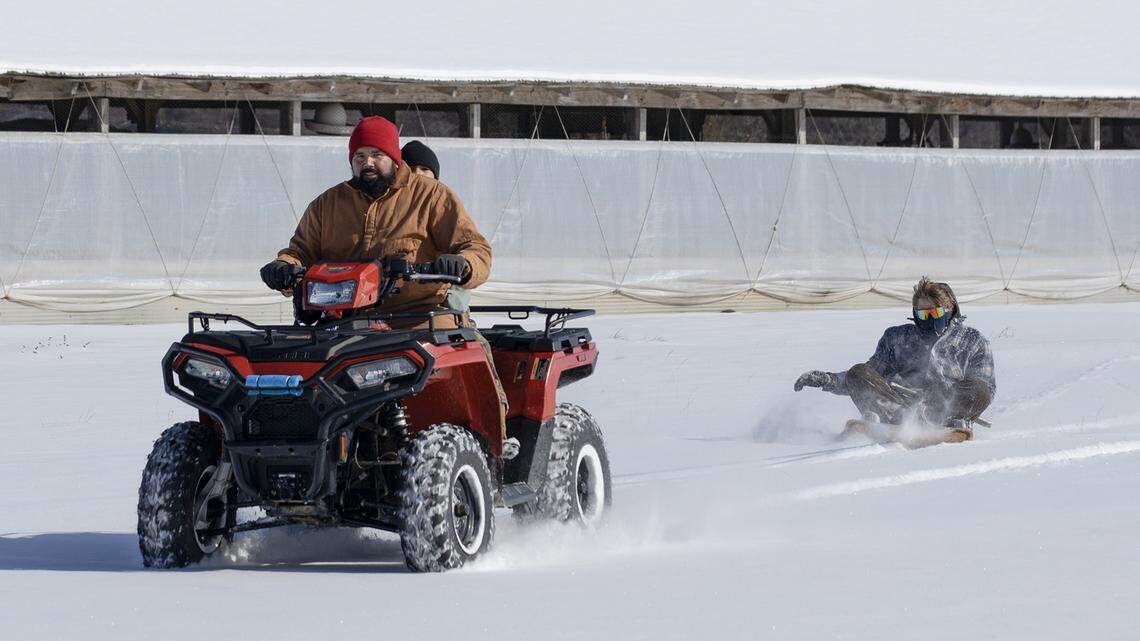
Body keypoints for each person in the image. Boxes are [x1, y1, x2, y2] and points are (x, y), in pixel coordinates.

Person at [258, 116, 509, 440]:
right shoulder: (327, 205)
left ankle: (493, 440)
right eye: (359, 157)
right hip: (342, 324)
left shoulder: (431, 197)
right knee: (292, 379)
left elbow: (477, 248)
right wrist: (284, 267)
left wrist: (462, 264)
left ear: (394, 156)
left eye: (376, 155)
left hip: (419, 319)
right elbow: (300, 252)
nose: (368, 164)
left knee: (465, 360)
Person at [793, 278, 995, 444]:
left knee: (980, 389)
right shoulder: (897, 337)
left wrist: (943, 396)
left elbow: (985, 387)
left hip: (945, 409)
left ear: (949, 309)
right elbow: (872, 373)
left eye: (934, 313)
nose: (927, 319)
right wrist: (829, 380)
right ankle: (893, 422)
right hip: (899, 405)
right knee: (858, 373)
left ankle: (937, 422)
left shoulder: (973, 340)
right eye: (921, 314)